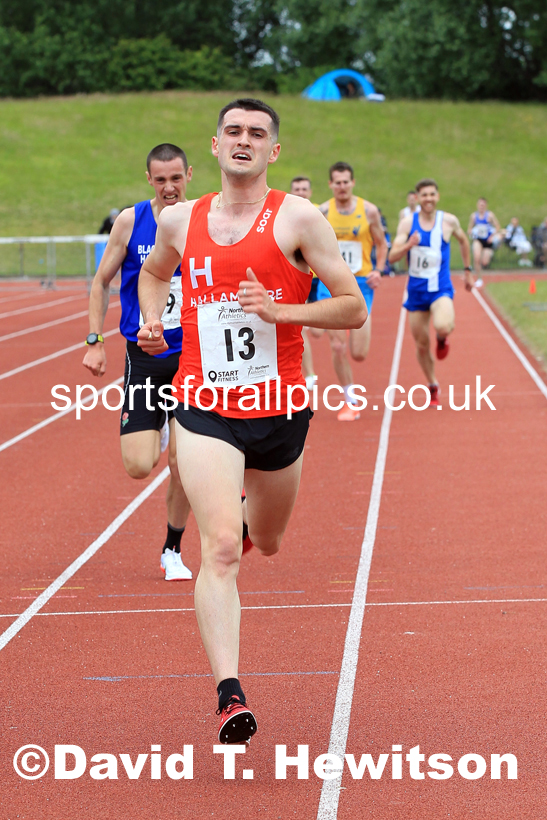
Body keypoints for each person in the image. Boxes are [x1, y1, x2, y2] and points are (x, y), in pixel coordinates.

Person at [137, 98, 367, 745]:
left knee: (264, 540)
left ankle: (243, 527)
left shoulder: (298, 218)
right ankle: (229, 693)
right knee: (218, 549)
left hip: (280, 413)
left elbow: (351, 308)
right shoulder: (182, 220)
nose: (244, 140)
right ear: (214, 146)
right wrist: (154, 320)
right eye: (233, 131)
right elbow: (154, 276)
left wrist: (281, 313)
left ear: (274, 151)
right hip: (204, 406)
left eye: (256, 133)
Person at [83, 144, 193, 581]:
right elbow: (100, 282)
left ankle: (172, 549)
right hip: (143, 358)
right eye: (161, 179)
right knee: (138, 467)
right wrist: (95, 340)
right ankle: (161, 428)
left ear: (189, 174)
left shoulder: (205, 219)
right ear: (149, 179)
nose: (169, 187)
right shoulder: (130, 221)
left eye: (176, 178)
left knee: (185, 465)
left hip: (193, 360)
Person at [389, 178, 475, 405]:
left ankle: (442, 337)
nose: (428, 198)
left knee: (443, 325)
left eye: (432, 194)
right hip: (416, 292)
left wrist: (467, 271)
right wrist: (408, 245)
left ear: (437, 196)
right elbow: (392, 256)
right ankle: (432, 384)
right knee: (420, 344)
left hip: (440, 289)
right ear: (417, 198)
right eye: (424, 195)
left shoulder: (448, 221)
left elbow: (464, 242)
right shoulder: (408, 224)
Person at [314, 161, 388, 421]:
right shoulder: (322, 211)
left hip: (361, 285)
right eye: (337, 182)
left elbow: (381, 243)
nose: (342, 186)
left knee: (358, 353)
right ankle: (349, 400)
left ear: (352, 183)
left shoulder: (369, 211)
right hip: (330, 286)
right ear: (330, 184)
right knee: (337, 347)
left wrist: (379, 269)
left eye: (346, 181)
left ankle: (350, 395)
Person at [290, 175, 318, 390]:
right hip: (302, 281)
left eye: (304, 189)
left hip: (322, 280)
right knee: (302, 329)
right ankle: (309, 374)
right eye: (296, 189)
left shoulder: (319, 214)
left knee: (317, 330)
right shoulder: (287, 216)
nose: (300, 192)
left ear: (310, 192)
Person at [467, 197, 502, 287]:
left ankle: (488, 255)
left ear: (486, 206)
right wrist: (472, 233)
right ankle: (479, 278)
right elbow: (469, 229)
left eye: (483, 205)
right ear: (477, 205)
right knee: (476, 258)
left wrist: (492, 236)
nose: (481, 206)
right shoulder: (474, 216)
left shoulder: (490, 215)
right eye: (480, 205)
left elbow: (498, 226)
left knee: (485, 262)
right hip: (478, 239)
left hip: (488, 240)